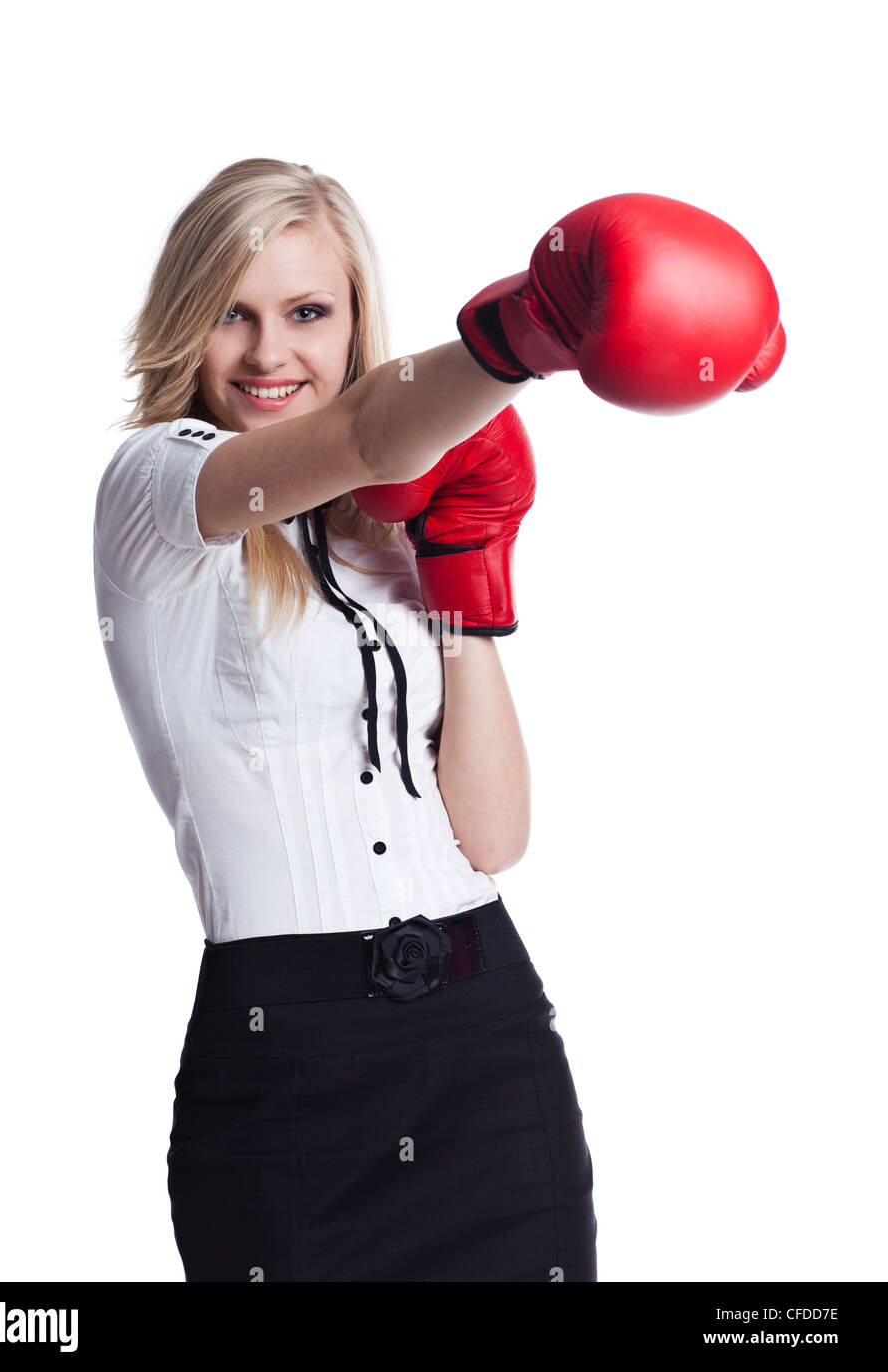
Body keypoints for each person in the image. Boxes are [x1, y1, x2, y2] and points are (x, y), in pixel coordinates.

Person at [93, 160, 783, 1282]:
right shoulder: (158, 489)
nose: (272, 354)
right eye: (233, 313)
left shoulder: (395, 516)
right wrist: (528, 331)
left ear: (356, 318)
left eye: (309, 312)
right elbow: (370, 431)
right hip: (289, 1066)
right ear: (185, 326)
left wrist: (467, 578)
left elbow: (494, 837)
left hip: (485, 1040)